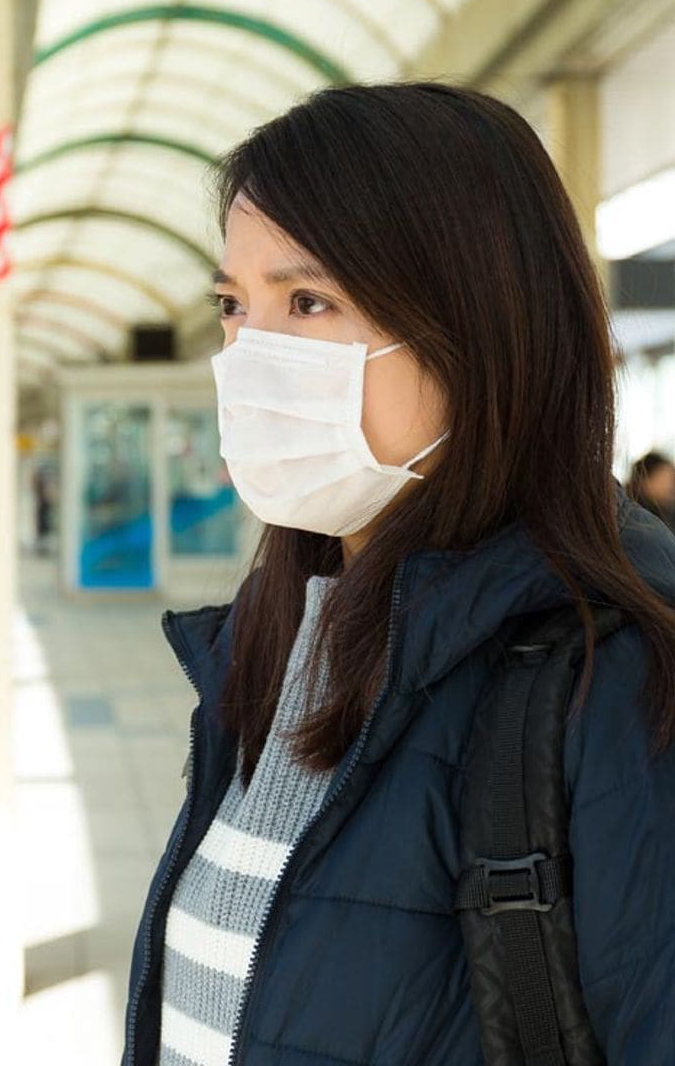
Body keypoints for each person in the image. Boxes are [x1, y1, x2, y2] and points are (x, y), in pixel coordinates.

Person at [122, 83, 675, 1066]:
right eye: (232, 305)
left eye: (309, 300)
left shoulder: (621, 673)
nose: (247, 355)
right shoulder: (279, 638)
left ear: (477, 325)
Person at [627, 450, 675, 529]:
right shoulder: (634, 517)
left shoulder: (668, 512)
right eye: (667, 479)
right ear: (645, 479)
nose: (672, 485)